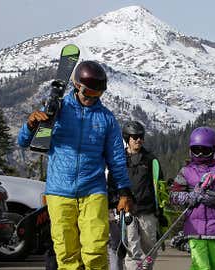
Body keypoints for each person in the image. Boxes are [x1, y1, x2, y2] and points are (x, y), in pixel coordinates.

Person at [17, 60, 134, 270]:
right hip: (59, 190)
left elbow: (116, 157)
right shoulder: (57, 110)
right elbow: (24, 142)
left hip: (93, 190)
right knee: (66, 254)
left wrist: (124, 192)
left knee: (95, 250)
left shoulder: (106, 118)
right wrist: (30, 125)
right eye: (88, 93)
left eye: (97, 95)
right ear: (77, 86)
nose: (91, 99)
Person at [170, 127, 215, 270]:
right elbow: (174, 195)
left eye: (205, 151)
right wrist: (188, 197)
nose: (200, 154)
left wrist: (211, 198)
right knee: (200, 266)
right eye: (196, 150)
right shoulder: (186, 171)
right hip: (195, 230)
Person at [107, 120, 165, 270]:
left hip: (148, 211)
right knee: (132, 248)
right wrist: (115, 203)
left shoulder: (151, 160)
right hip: (127, 212)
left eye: (141, 136)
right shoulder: (118, 160)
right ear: (128, 139)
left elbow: (160, 187)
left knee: (150, 248)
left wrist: (162, 211)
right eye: (134, 137)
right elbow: (112, 186)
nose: (138, 139)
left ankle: (146, 268)